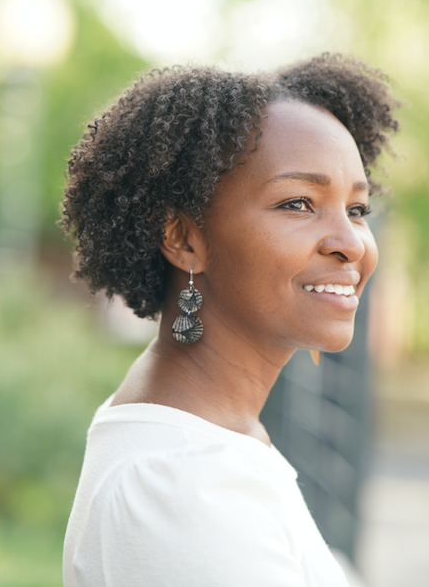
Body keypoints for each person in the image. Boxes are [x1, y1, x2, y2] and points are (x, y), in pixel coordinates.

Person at [60, 54, 399, 587]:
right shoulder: (177, 487)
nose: (350, 243)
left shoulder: (210, 438)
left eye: (357, 210)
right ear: (183, 239)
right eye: (298, 203)